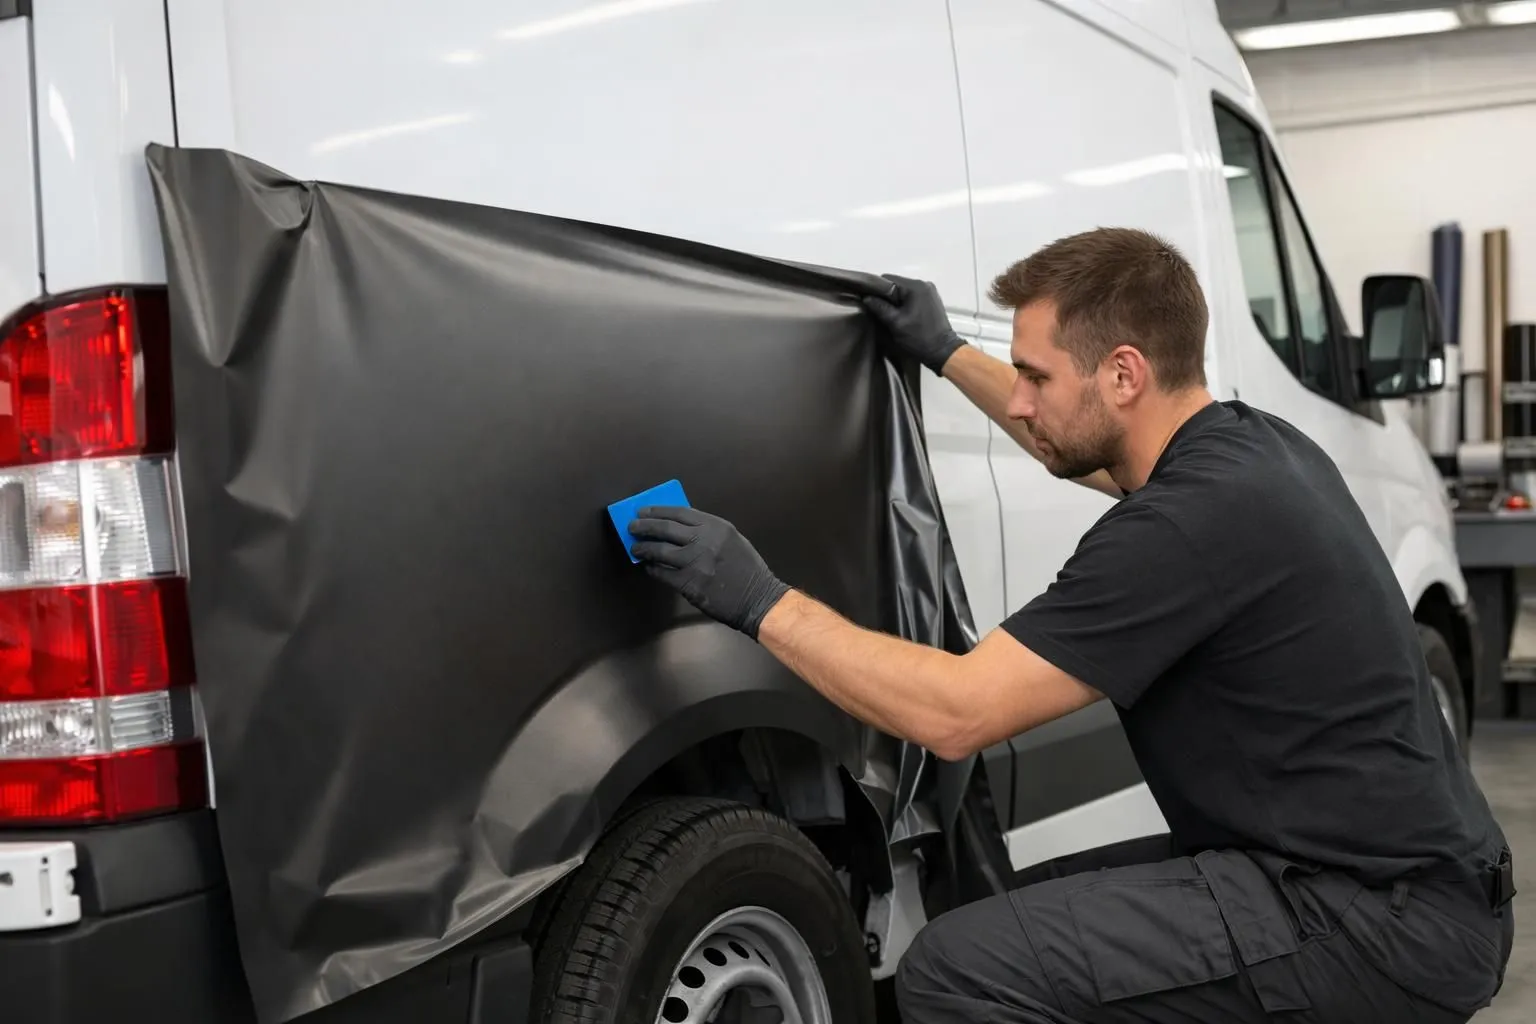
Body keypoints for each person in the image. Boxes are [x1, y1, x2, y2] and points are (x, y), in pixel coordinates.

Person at [626, 227, 1514, 1023]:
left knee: (954, 971)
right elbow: (1084, 458)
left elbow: (957, 713)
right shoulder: (1249, 447)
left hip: (1374, 922)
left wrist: (758, 599)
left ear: (1124, 373)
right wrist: (944, 353)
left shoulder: (1180, 527)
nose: (1020, 401)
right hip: (1395, 878)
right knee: (999, 912)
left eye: (1036, 377)